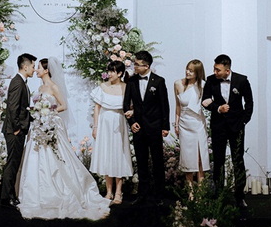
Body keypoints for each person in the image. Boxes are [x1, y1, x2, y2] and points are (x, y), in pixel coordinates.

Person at [17, 57, 111, 220]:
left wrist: (48, 112)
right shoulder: (40, 87)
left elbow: (63, 105)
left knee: (57, 157)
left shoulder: (54, 87)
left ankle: (63, 190)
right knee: (35, 157)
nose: (36, 70)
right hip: (39, 126)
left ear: (46, 70)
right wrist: (38, 113)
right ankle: (36, 193)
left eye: (39, 67)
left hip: (51, 124)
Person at [202, 54, 254, 208]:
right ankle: (219, 195)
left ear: (227, 70)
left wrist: (244, 120)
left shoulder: (241, 80)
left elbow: (249, 102)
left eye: (218, 70)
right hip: (218, 126)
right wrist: (218, 108)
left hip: (236, 126)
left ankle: (239, 196)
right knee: (218, 161)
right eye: (214, 69)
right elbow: (205, 100)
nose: (215, 72)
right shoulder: (211, 80)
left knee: (238, 160)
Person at [123, 50, 170, 206]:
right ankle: (142, 194)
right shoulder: (131, 81)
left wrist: (165, 126)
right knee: (141, 162)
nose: (134, 66)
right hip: (138, 127)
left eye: (137, 64)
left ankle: (159, 195)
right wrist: (132, 122)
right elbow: (126, 104)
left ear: (147, 66)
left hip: (155, 127)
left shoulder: (159, 81)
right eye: (134, 63)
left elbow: (164, 105)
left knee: (157, 161)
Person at [89, 60, 133, 205]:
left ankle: (119, 192)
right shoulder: (103, 87)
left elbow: (132, 106)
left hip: (118, 123)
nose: (109, 74)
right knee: (107, 154)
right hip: (104, 123)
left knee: (118, 155)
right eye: (108, 71)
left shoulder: (126, 87)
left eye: (112, 71)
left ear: (119, 73)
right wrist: (95, 127)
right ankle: (109, 191)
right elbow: (97, 108)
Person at [0, 53, 36, 209]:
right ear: (25, 67)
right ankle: (8, 197)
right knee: (12, 163)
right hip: (14, 130)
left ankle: (8, 195)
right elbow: (13, 108)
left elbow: (21, 108)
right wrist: (16, 128)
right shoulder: (17, 82)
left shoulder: (21, 82)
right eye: (33, 66)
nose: (34, 70)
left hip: (17, 129)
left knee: (14, 163)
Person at [173, 59, 211, 194]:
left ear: (198, 73)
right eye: (187, 69)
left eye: (191, 71)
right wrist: (176, 124)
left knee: (200, 157)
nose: (188, 72)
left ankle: (201, 193)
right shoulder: (178, 84)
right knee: (188, 157)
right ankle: (190, 193)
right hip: (184, 124)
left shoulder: (203, 86)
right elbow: (178, 106)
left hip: (198, 123)